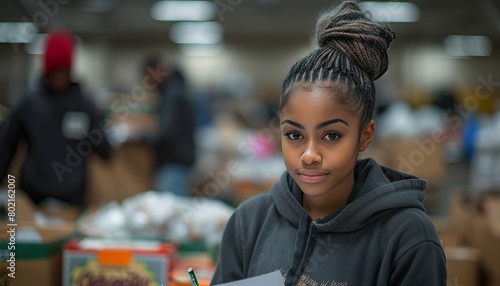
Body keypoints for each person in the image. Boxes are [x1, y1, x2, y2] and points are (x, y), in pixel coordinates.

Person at [211, 1, 447, 285]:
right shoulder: (248, 223)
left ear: (365, 136)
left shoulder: (408, 236)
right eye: (294, 135)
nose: (309, 155)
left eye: (331, 136)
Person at [0, 29, 112, 206]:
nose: (59, 79)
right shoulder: (30, 103)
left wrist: (91, 131)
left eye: (63, 72)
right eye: (54, 73)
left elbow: (106, 153)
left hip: (72, 198)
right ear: (47, 72)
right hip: (33, 196)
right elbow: (6, 147)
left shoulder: (85, 104)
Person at [138, 56, 196, 196]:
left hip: (173, 163)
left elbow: (164, 133)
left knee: (170, 208)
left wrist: (141, 137)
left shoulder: (173, 95)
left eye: (148, 77)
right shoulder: (175, 91)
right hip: (177, 162)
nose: (148, 83)